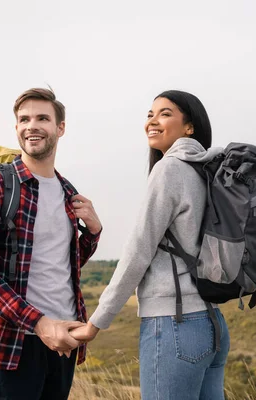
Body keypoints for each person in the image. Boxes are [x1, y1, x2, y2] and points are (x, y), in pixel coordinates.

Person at [70, 90, 230, 399]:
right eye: (149, 114)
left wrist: (95, 323)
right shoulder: (208, 170)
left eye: (165, 113)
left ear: (190, 127)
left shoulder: (169, 169)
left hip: (175, 324)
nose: (152, 121)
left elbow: (138, 253)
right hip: (213, 326)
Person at [0, 88, 102, 400]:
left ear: (60, 128)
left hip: (64, 338)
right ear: (16, 128)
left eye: (42, 118)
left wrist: (93, 232)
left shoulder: (68, 191)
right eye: (24, 119)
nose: (31, 126)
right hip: (15, 342)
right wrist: (39, 323)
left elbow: (63, 264)